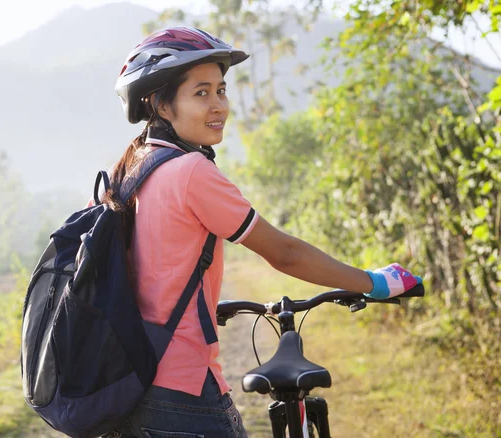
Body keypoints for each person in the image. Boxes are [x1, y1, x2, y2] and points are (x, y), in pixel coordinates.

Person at [101, 27, 422, 438]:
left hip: (134, 384)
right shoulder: (189, 171)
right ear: (161, 105)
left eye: (221, 90)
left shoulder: (130, 169)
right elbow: (283, 252)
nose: (218, 105)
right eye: (201, 93)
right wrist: (374, 282)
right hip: (185, 390)